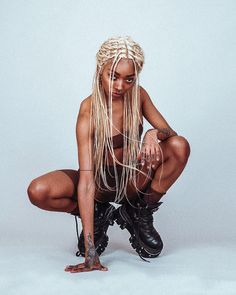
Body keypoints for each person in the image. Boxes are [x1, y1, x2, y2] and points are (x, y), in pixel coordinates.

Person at [27, 36, 190, 273]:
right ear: (99, 71)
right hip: (100, 184)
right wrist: (90, 253)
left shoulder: (139, 95)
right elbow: (85, 179)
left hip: (134, 180)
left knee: (179, 146)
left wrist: (152, 134)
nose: (120, 86)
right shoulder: (88, 109)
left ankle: (137, 210)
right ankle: (98, 213)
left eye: (129, 79)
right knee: (38, 190)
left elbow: (170, 133)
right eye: (112, 76)